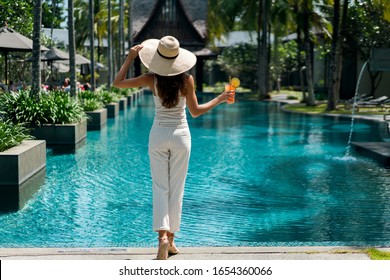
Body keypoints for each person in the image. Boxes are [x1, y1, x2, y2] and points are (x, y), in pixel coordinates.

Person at [113, 35, 233, 260]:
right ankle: (172, 239)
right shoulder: (187, 80)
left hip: (158, 134)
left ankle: (162, 241)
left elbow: (117, 83)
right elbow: (195, 112)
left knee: (160, 187)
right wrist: (219, 99)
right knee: (176, 188)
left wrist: (130, 58)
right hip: (181, 136)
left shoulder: (151, 79)